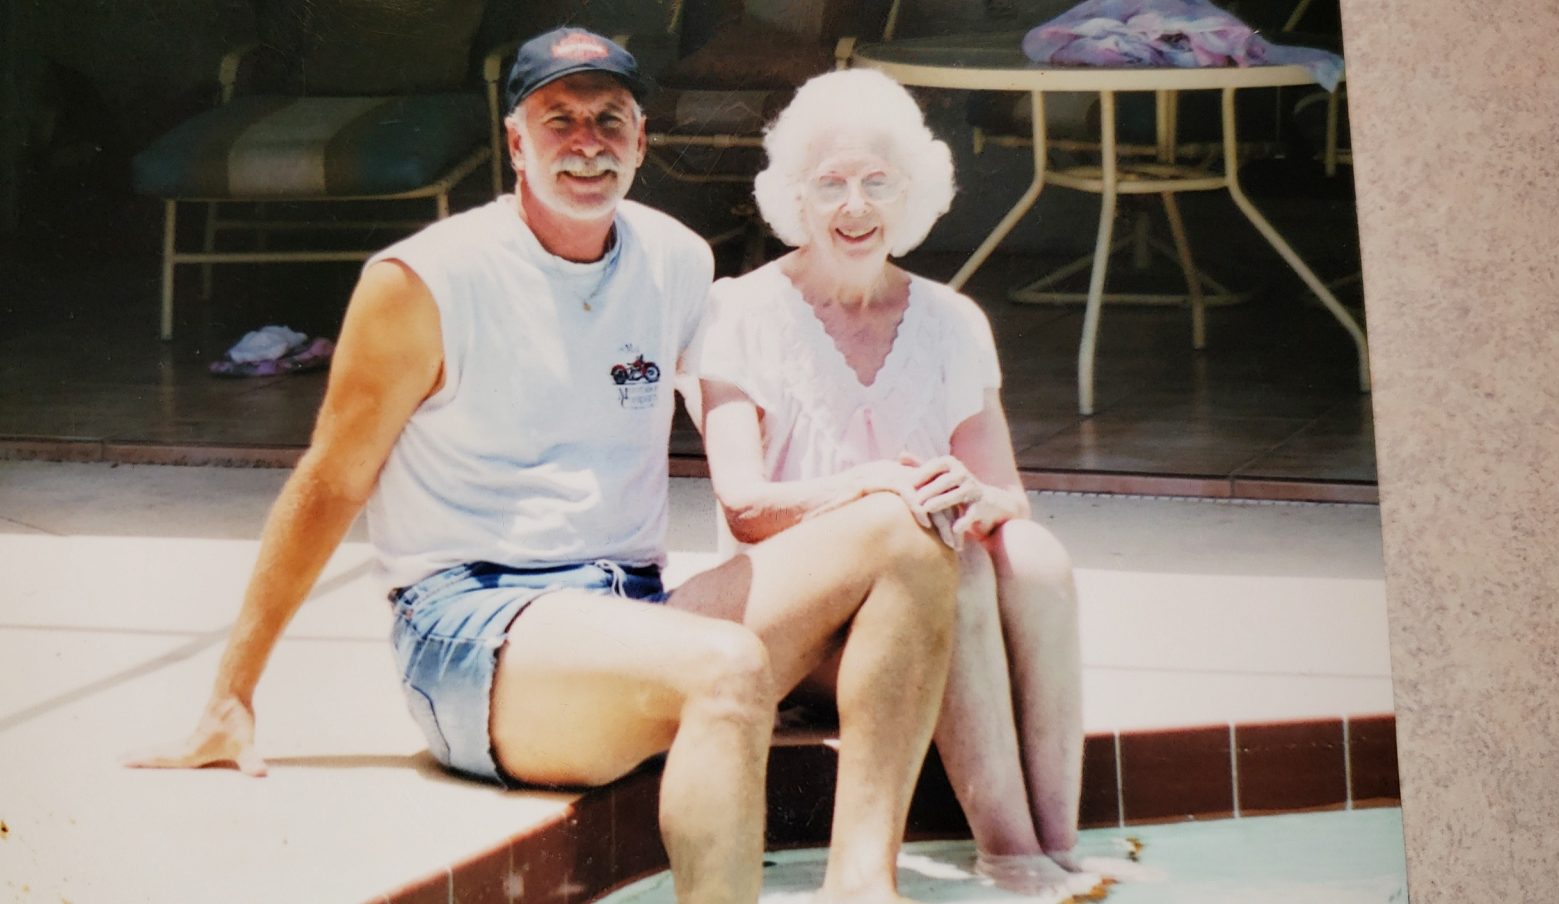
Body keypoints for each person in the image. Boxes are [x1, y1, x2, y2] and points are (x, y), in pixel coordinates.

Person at [124, 28, 959, 904]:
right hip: (474, 627)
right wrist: (232, 693)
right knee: (728, 667)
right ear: (516, 142)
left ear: (641, 141)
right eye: (559, 120)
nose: (587, 143)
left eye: (610, 120)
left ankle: (864, 887)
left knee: (903, 529)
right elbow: (330, 484)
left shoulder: (678, 260)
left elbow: (763, 405)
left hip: (632, 609)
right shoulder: (425, 280)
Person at [692, 68, 1097, 899]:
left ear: (912, 194)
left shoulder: (952, 321)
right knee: (948, 568)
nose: (855, 206)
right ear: (794, 197)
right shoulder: (739, 313)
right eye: (830, 183)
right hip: (796, 622)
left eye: (878, 182)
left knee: (1034, 558)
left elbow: (1008, 496)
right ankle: (1010, 851)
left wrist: (972, 495)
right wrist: (877, 487)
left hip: (922, 616)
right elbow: (744, 507)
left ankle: (1061, 844)